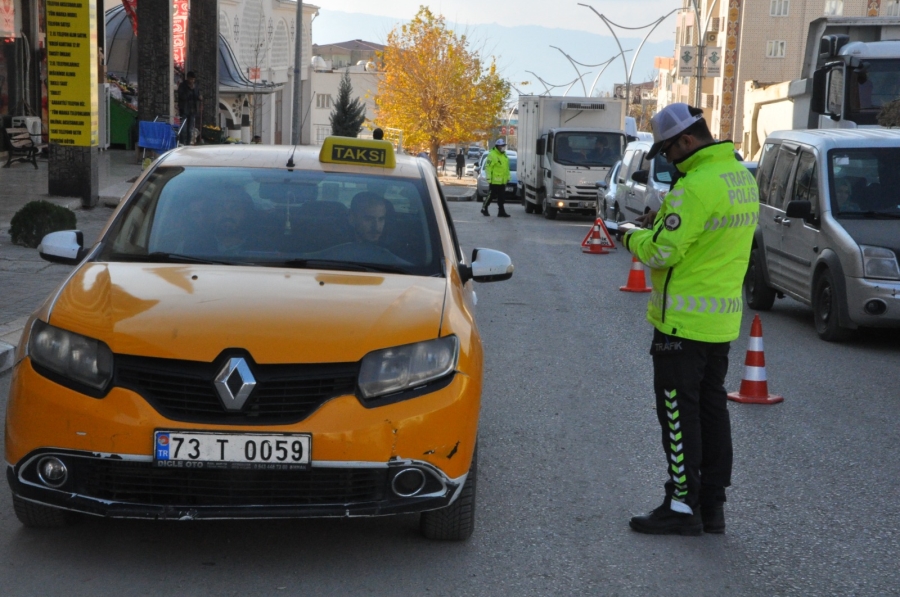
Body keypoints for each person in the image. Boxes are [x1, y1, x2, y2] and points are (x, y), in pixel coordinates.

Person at [622, 103, 758, 536]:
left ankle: (681, 505)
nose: (667, 159)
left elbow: (663, 251)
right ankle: (712, 506)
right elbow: (707, 236)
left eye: (667, 151)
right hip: (719, 323)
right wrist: (660, 222)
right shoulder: (739, 177)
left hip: (681, 323)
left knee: (679, 416)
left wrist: (632, 237)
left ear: (685, 141)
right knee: (712, 411)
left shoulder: (695, 186)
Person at [481, 138, 511, 218]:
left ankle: (501, 211)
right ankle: (484, 208)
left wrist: (508, 177)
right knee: (491, 196)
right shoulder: (492, 154)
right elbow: (488, 167)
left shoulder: (504, 155)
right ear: (497, 146)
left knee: (502, 197)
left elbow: (506, 168)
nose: (503, 147)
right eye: (502, 146)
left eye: (504, 146)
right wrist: (489, 179)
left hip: (502, 181)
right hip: (494, 181)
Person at [177, 71, 202, 146]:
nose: (192, 81)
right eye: (191, 79)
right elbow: (182, 97)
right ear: (187, 78)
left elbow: (197, 95)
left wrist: (199, 97)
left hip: (192, 110)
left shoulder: (196, 86)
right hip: (184, 109)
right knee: (183, 129)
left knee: (190, 129)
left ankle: (188, 144)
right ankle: (182, 143)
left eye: (193, 80)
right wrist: (189, 90)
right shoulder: (182, 86)